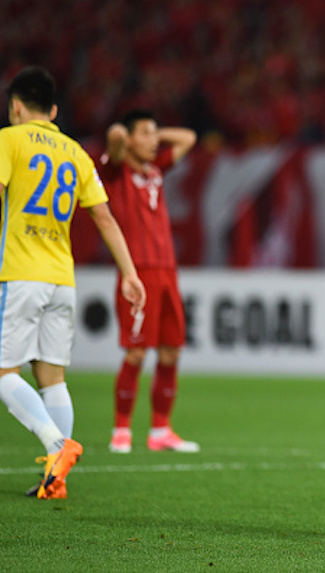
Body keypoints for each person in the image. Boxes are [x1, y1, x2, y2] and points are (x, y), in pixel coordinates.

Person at [0, 66, 146, 499]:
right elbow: (103, 216)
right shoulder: (76, 153)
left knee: (3, 371)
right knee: (52, 378)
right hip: (62, 279)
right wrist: (130, 273)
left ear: (17, 108)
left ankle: (57, 446)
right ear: (55, 110)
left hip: (21, 273)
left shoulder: (9, 139)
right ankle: (55, 479)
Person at [98, 110, 199, 453]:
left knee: (170, 352)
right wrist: (126, 137)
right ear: (130, 139)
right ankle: (121, 429)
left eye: (156, 134)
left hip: (167, 271)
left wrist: (152, 135)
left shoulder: (155, 169)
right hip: (137, 272)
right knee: (137, 352)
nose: (155, 140)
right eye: (147, 133)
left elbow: (188, 137)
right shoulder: (116, 171)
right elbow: (113, 136)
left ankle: (160, 430)